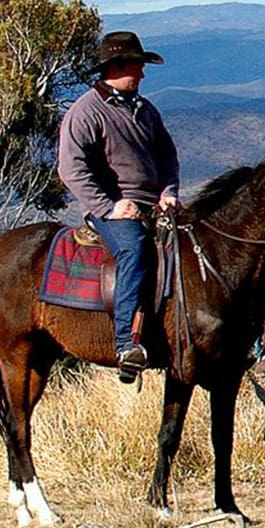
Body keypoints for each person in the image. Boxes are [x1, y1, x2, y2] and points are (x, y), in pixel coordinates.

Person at [56, 30, 181, 382]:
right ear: (116, 67)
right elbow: (70, 168)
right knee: (135, 251)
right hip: (114, 211)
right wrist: (110, 207)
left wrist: (168, 191)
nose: (142, 74)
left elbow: (167, 155)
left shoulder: (145, 109)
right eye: (137, 66)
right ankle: (127, 341)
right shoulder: (86, 112)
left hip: (155, 205)